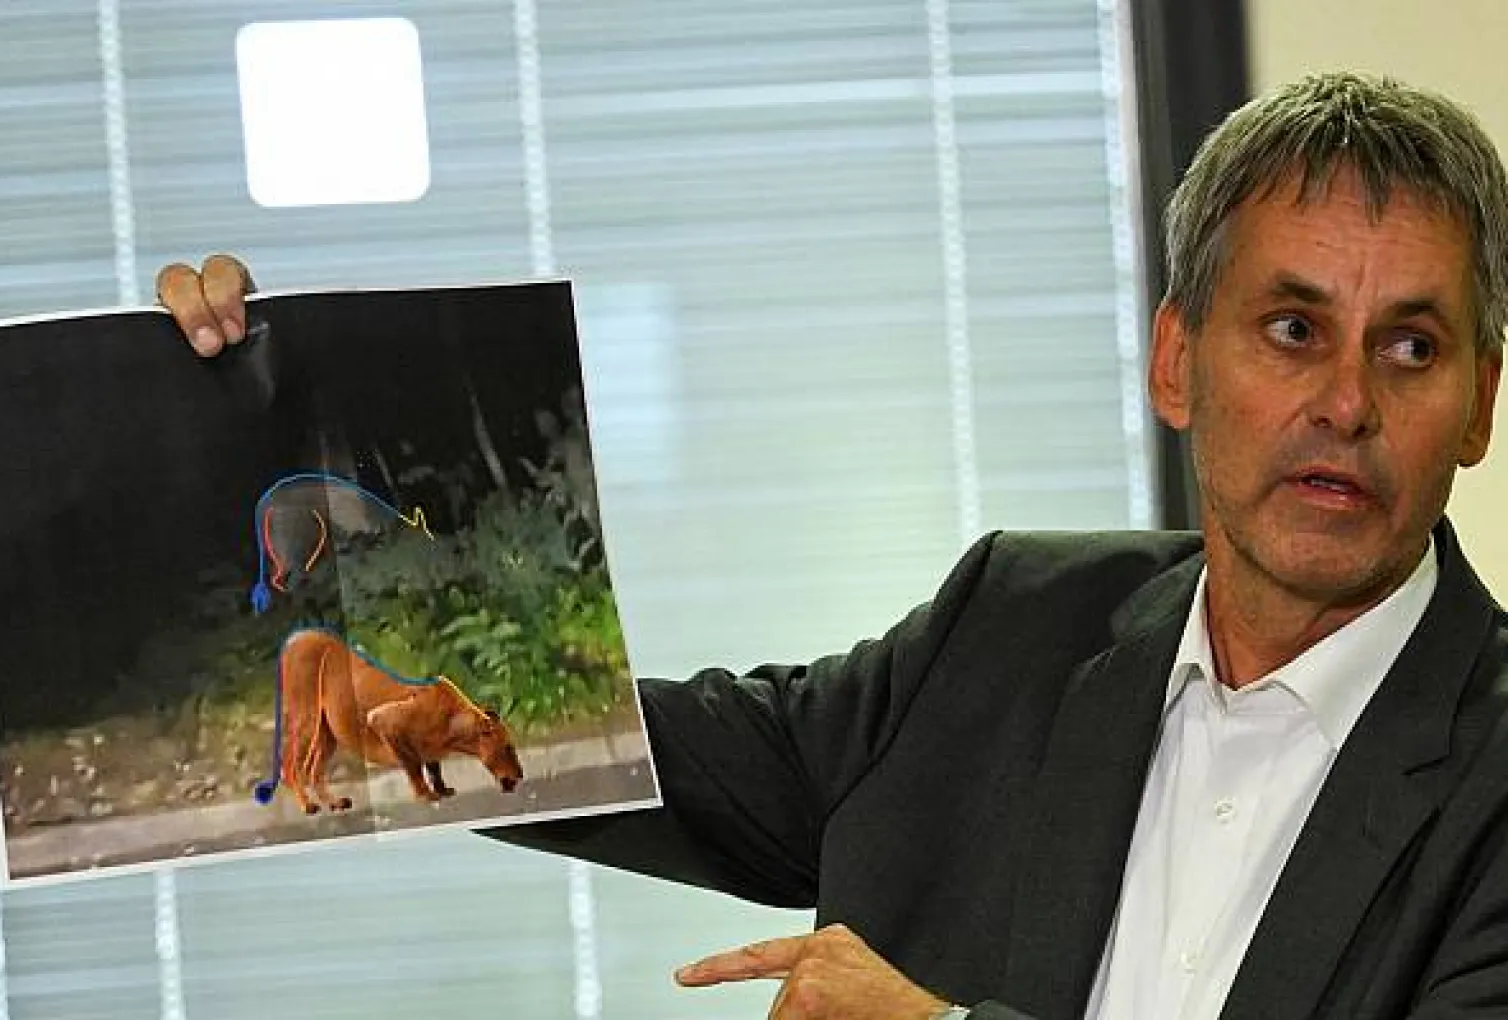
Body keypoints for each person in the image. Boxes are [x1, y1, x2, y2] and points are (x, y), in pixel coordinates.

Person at [156, 72, 1508, 1020]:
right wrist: (263, 423)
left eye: (1411, 346)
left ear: (1479, 405)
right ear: (1175, 361)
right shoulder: (1016, 621)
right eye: (1292, 329)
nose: (1347, 401)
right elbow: (618, 753)